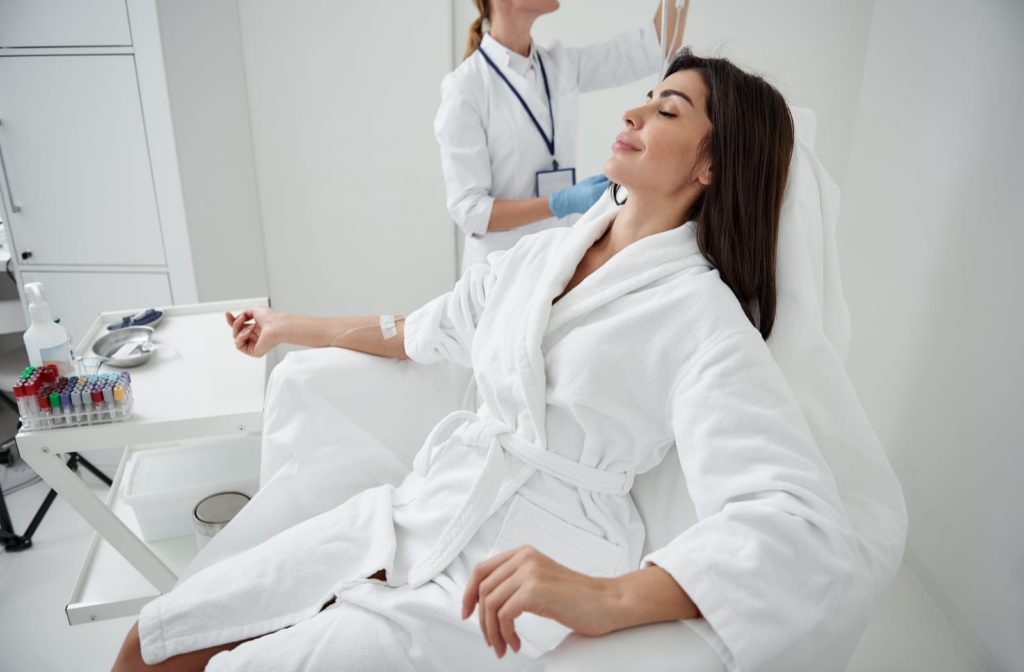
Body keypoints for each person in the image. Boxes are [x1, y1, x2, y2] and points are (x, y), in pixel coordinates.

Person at [113, 51, 894, 672]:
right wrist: (289, 326)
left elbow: (798, 525)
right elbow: (420, 329)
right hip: (413, 514)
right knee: (154, 638)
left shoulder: (701, 318)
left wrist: (609, 596)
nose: (633, 111)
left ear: (711, 167)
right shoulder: (546, 257)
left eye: (668, 110)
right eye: (647, 97)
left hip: (519, 565)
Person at [438, 0, 688, 271]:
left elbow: (653, 47)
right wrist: (559, 203)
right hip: (497, 269)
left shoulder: (557, 64)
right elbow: (471, 211)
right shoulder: (465, 87)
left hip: (556, 258)